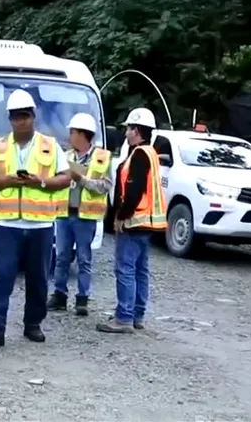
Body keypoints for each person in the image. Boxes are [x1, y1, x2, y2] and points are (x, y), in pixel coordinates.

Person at [0, 89, 71, 349]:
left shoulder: (50, 146)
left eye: (25, 116)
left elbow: (65, 177)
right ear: (10, 119)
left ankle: (33, 324)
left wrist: (40, 182)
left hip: (40, 224)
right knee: (1, 277)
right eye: (16, 117)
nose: (21, 121)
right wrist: (6, 180)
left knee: (38, 278)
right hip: (7, 224)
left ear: (34, 116)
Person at [96, 108, 166, 333]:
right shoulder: (150, 153)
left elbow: (133, 190)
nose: (125, 132)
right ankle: (137, 314)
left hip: (134, 221)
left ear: (136, 130)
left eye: (128, 128)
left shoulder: (139, 155)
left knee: (125, 269)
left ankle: (124, 317)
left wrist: (121, 216)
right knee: (139, 270)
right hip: (147, 223)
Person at [47, 113, 113, 316]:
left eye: (72, 132)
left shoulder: (102, 158)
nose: (69, 136)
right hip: (65, 214)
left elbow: (106, 186)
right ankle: (59, 295)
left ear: (83, 134)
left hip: (85, 217)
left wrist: (82, 179)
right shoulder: (66, 157)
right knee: (61, 257)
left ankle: (82, 299)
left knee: (84, 259)